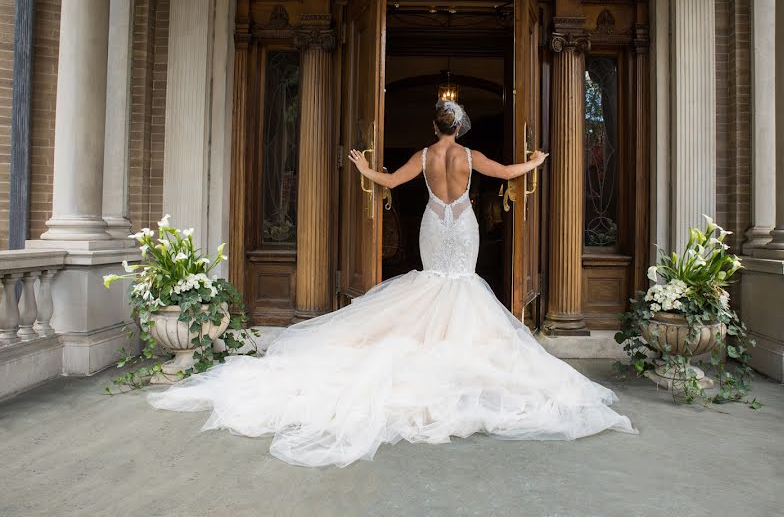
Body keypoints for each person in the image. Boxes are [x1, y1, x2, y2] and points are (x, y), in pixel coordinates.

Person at [147, 99, 636, 468]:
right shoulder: (470, 156)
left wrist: (363, 167)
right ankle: (456, 353)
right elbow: (508, 172)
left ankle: (426, 346)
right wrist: (536, 161)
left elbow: (388, 182)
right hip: (461, 223)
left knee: (432, 284)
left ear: (435, 127)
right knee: (461, 283)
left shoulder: (424, 157)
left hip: (433, 222)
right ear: (460, 127)